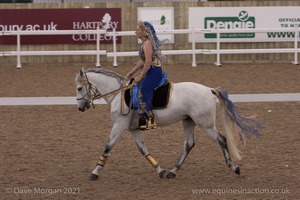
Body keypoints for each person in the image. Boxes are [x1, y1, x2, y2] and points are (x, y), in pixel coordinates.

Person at [125, 21, 171, 130]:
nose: (135, 32)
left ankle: (151, 119)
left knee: (143, 90)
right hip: (150, 69)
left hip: (154, 71)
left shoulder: (148, 44)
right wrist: (132, 71)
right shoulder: (144, 43)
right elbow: (143, 60)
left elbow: (148, 61)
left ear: (144, 32)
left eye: (137, 30)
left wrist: (141, 75)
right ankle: (141, 118)